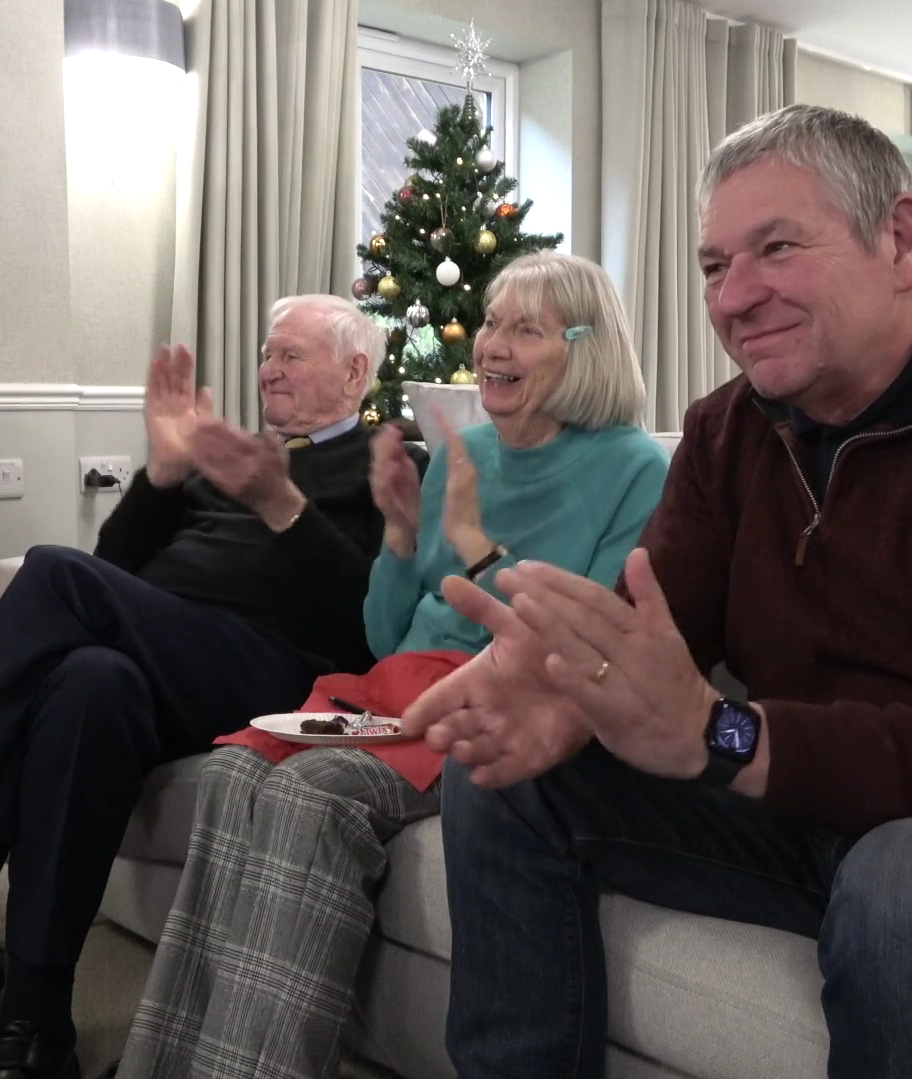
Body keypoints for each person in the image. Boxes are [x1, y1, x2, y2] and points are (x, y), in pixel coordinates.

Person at [404, 104, 912, 1079]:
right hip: (807, 809)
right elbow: (653, 635)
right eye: (711, 266)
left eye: (774, 247)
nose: (733, 295)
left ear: (900, 239)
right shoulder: (727, 430)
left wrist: (728, 734)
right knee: (507, 769)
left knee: (909, 876)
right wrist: (567, 676)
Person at [0, 294, 404, 1079]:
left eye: (293, 355)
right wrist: (168, 470)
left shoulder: (388, 462)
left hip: (274, 668)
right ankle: (36, 1021)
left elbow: (367, 618)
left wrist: (281, 503)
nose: (269, 370)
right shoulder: (229, 452)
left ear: (354, 371)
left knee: (48, 572)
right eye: (267, 354)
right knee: (88, 683)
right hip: (161, 654)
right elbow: (113, 567)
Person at [116, 252, 670, 1079]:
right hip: (394, 689)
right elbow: (383, 636)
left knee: (314, 793)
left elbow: (574, 652)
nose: (491, 344)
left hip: (493, 703)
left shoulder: (637, 468)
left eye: (526, 328)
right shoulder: (457, 450)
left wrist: (478, 547)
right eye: (490, 322)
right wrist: (404, 539)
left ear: (585, 349)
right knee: (233, 772)